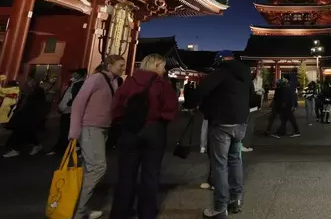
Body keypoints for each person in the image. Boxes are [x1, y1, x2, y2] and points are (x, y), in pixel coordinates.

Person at [184, 50, 254, 219]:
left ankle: (220, 207)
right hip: (241, 123)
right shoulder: (245, 74)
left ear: (219, 60)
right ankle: (235, 199)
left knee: (220, 164)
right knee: (235, 159)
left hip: (222, 123)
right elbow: (252, 96)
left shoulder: (220, 73)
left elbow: (201, 91)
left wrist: (191, 103)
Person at [109, 54, 178, 219]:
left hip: (130, 130)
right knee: (150, 174)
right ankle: (146, 212)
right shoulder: (162, 84)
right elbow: (171, 110)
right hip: (154, 131)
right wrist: (160, 120)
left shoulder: (130, 82)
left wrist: (122, 122)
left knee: (126, 175)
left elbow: (116, 106)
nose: (164, 70)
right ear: (155, 66)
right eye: (162, 66)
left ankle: (121, 211)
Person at [69, 55, 125, 219]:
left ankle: (80, 207)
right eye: (120, 65)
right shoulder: (96, 79)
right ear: (109, 66)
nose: (123, 68)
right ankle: (78, 212)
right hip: (90, 127)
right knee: (98, 168)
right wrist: (74, 131)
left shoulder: (113, 81)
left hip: (102, 128)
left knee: (89, 169)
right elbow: (79, 103)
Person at [2, 69, 46, 157]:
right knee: (26, 132)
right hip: (24, 114)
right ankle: (34, 146)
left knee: (21, 132)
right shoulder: (28, 90)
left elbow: (37, 105)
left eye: (31, 81)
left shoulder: (38, 91)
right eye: (29, 81)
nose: (29, 83)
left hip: (30, 115)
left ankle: (16, 149)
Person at [47, 69, 87, 156]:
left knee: (66, 130)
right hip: (67, 110)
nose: (72, 76)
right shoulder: (74, 84)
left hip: (69, 111)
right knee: (66, 130)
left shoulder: (78, 84)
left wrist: (68, 105)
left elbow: (74, 98)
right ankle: (65, 147)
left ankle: (66, 148)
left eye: (75, 74)